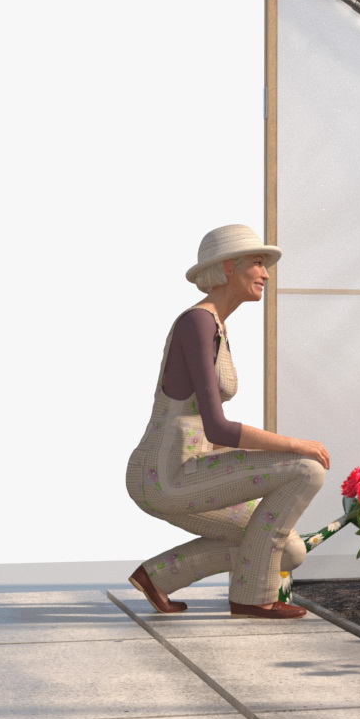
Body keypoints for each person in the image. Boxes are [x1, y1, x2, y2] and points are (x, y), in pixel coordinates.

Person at [124, 224, 331, 619]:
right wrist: (296, 444)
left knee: (289, 548)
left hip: (189, 470)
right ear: (229, 266)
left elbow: (210, 432)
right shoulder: (196, 323)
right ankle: (252, 599)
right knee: (306, 469)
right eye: (258, 262)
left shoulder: (217, 325)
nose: (266, 273)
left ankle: (157, 577)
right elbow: (218, 427)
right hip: (165, 474)